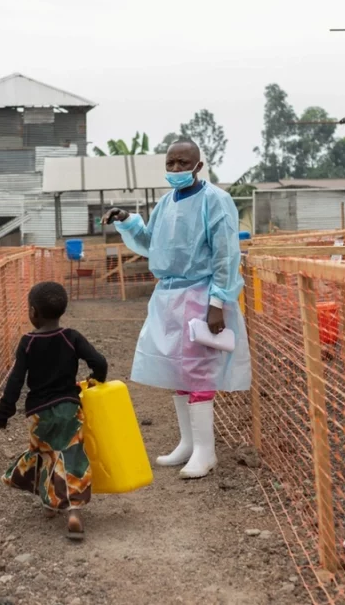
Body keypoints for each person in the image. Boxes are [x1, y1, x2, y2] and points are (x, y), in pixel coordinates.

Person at [102, 139, 251, 480]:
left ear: (199, 166)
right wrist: (127, 222)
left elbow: (226, 255)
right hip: (169, 296)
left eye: (183, 163)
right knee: (178, 371)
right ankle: (187, 443)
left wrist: (218, 303)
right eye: (170, 164)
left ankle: (206, 451)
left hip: (202, 295)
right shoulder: (166, 202)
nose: (176, 170)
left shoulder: (216, 200)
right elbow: (151, 243)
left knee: (199, 371)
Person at [0, 281, 108, 540]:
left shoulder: (28, 343)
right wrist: (96, 378)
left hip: (39, 414)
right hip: (69, 408)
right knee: (71, 455)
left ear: (33, 312)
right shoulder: (71, 337)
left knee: (45, 454)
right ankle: (74, 510)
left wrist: (2, 414)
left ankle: (49, 503)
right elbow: (99, 361)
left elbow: (15, 382)